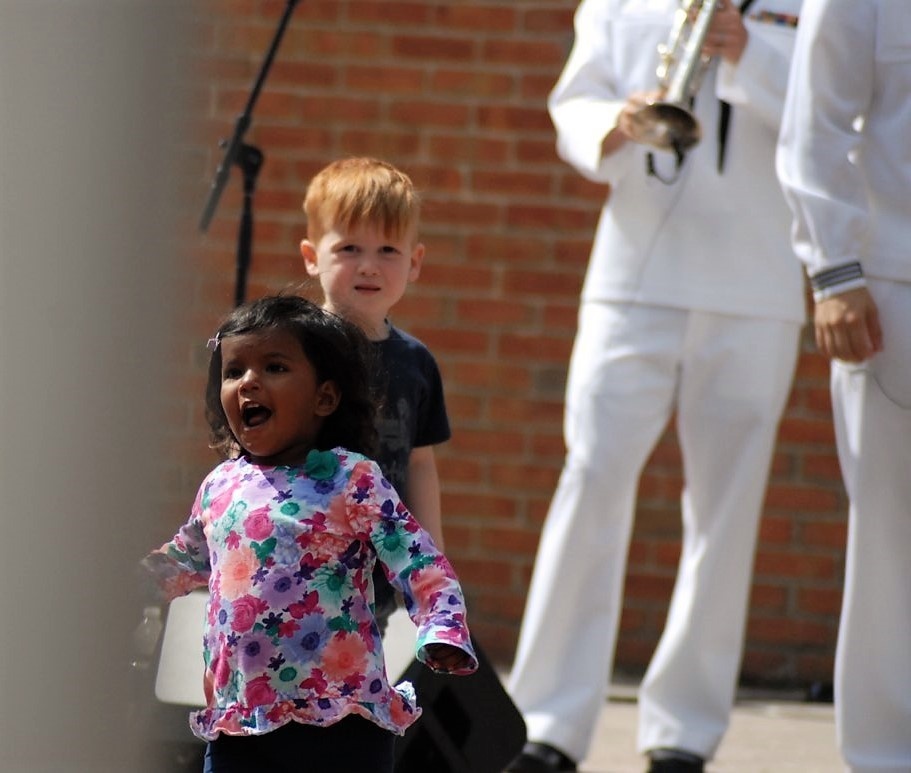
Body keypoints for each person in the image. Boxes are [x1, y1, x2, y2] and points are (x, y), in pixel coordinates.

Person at [505, 1, 805, 771]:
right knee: (591, 477)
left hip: (756, 282)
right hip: (631, 278)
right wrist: (617, 119)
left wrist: (750, 55)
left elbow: (837, 117)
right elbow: (575, 97)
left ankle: (683, 732)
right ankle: (546, 723)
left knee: (724, 506)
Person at [141, 295, 477, 773]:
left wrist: (442, 626)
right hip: (240, 720)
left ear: (325, 397)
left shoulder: (350, 478)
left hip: (339, 724)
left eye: (274, 366)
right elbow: (186, 556)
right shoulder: (221, 485)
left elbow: (418, 561)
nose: (249, 381)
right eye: (234, 371)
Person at [776, 2, 911, 769]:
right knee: (890, 539)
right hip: (892, 289)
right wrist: (832, 270)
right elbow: (814, 125)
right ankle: (884, 754)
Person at [300, 157, 450, 632]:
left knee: (358, 701)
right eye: (348, 247)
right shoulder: (290, 348)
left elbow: (420, 464)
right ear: (311, 256)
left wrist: (431, 569)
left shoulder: (417, 363)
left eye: (388, 249)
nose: (369, 265)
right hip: (291, 575)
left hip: (373, 589)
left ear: (415, 262)